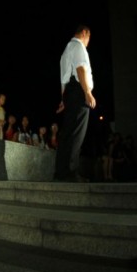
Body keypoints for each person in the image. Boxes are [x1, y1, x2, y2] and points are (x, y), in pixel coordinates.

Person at [54, 24, 95, 182]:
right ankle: (71, 172)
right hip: (78, 91)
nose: (88, 42)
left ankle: (61, 172)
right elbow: (80, 70)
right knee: (77, 133)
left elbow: (64, 77)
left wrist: (64, 100)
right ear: (85, 33)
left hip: (70, 93)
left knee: (67, 133)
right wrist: (88, 92)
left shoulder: (66, 50)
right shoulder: (78, 46)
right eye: (89, 38)